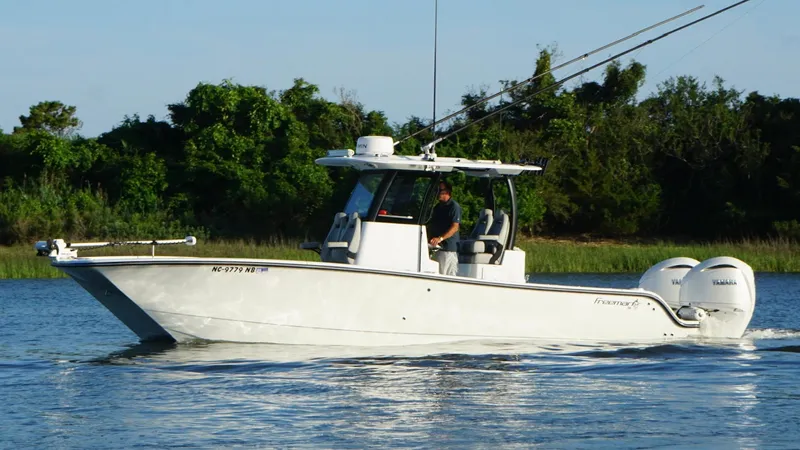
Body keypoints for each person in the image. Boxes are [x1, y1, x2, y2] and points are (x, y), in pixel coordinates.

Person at [428, 181, 461, 276]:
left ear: (447, 192)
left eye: (440, 190)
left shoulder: (454, 207)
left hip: (448, 248)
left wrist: (440, 238)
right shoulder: (438, 207)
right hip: (437, 247)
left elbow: (455, 227)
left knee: (446, 275)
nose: (437, 193)